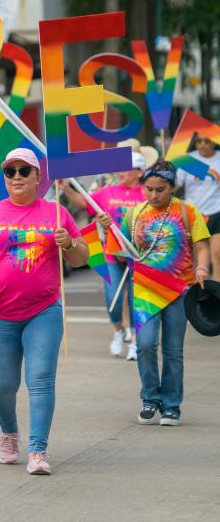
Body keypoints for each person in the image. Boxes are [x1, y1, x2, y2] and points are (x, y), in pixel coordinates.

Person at [0, 148, 92, 476]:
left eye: (24, 171)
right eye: (11, 172)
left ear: (38, 177)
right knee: (3, 384)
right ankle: (9, 434)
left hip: (43, 311)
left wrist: (69, 245)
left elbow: (81, 258)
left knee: (41, 378)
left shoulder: (57, 213)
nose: (17, 177)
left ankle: (38, 449)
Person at [124, 161, 210, 426]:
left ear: (173, 187)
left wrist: (203, 268)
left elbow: (202, 246)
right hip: (146, 290)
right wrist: (110, 228)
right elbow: (122, 247)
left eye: (160, 189)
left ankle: (171, 405)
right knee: (146, 345)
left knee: (173, 351)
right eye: (148, 189)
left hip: (179, 289)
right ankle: (150, 398)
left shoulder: (188, 211)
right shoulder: (134, 213)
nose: (153, 195)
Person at [62, 152, 147, 359]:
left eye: (126, 169)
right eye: (120, 168)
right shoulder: (108, 191)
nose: (121, 173)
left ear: (139, 172)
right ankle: (119, 330)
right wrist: (65, 188)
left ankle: (135, 341)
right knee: (113, 300)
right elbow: (83, 203)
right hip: (111, 254)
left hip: (138, 256)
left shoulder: (147, 194)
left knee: (137, 301)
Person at [175, 136, 220, 281]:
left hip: (216, 212)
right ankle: (198, 292)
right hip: (194, 214)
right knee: (197, 257)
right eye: (199, 141)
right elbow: (175, 185)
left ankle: (217, 293)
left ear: (215, 142)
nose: (202, 145)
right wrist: (167, 172)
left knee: (217, 255)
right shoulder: (188, 160)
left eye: (207, 141)